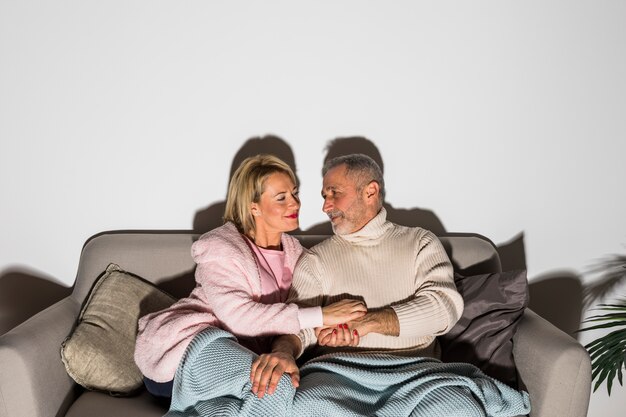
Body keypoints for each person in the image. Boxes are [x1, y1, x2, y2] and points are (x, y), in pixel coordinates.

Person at [134, 154, 366, 399]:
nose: (295, 204)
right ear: (253, 206)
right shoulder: (220, 247)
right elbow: (238, 318)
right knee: (274, 385)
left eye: (295, 193)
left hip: (242, 356)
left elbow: (315, 305)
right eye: (281, 198)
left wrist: (337, 325)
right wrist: (322, 315)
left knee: (277, 382)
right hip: (185, 351)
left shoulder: (298, 255)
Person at [249, 153, 464, 398]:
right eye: (324, 196)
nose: (325, 206)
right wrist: (284, 351)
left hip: (417, 375)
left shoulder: (420, 242)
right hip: (339, 379)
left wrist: (367, 323)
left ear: (370, 192)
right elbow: (298, 325)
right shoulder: (315, 259)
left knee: (462, 407)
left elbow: (444, 308)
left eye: (334, 193)